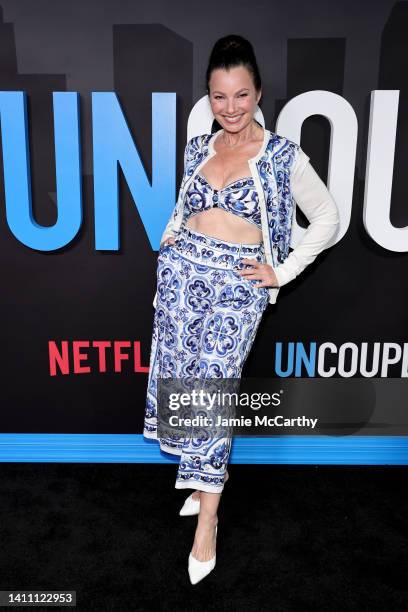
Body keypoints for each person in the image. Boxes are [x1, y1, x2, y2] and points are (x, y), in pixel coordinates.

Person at [143, 34, 340, 584]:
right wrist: (167, 260)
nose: (230, 108)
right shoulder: (197, 146)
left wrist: (281, 272)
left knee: (213, 391)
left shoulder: (281, 156)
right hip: (182, 277)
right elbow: (181, 210)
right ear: (208, 95)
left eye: (241, 95)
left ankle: (208, 520)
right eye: (219, 96)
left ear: (259, 94)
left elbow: (327, 219)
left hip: (237, 285)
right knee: (183, 383)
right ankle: (195, 473)